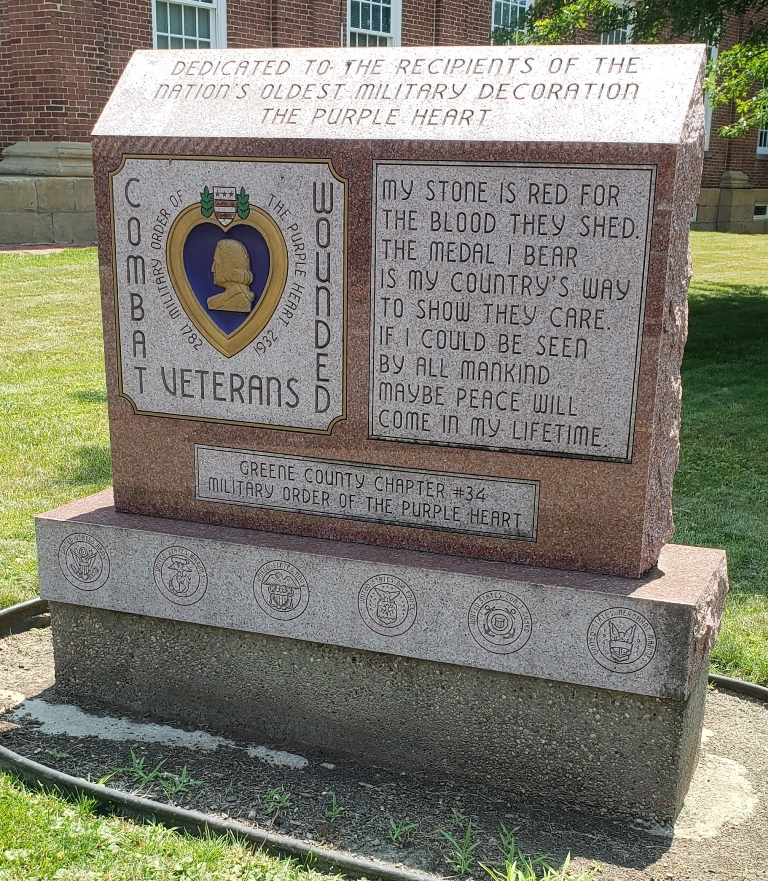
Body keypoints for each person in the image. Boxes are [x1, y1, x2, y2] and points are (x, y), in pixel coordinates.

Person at [206, 238, 255, 312]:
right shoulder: (213, 301)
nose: (212, 269)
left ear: (228, 267)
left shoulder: (240, 301)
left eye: (216, 263)